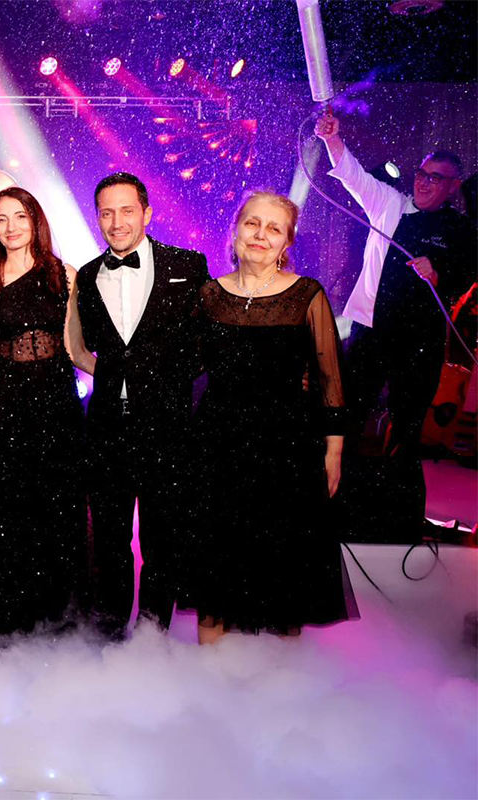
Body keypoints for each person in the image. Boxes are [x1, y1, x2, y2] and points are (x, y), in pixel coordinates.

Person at [188, 190, 357, 642]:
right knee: (217, 555)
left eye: (273, 228)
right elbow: (188, 367)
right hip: (217, 444)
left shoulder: (307, 294)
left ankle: (279, 692)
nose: (260, 235)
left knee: (284, 558)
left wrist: (334, 448)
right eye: (252, 224)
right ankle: (207, 684)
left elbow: (330, 377)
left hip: (287, 446)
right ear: (236, 230)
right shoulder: (208, 295)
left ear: (287, 243)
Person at [315, 112, 478, 538]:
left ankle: (397, 518)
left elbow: (467, 269)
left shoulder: (461, 230)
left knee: (407, 425)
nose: (423, 182)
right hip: (373, 330)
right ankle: (331, 502)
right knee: (348, 413)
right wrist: (334, 141)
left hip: (421, 341)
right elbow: (352, 176)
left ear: (452, 186)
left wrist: (440, 273)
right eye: (422, 174)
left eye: (435, 178)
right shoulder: (390, 203)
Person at [67, 172, 209, 641]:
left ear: (147, 213)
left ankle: (152, 637)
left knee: (161, 541)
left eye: (127, 210)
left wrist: (167, 387)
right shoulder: (86, 275)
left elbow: (204, 344)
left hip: (167, 428)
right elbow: (83, 347)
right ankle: (110, 634)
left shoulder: (189, 266)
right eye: (106, 212)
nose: (116, 222)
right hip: (107, 428)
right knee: (110, 541)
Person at [0, 187, 87, 646]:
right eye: (1, 219)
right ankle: (1, 625)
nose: (11, 227)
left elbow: (73, 349)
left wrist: (129, 371)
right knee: (0, 515)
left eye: (20, 216)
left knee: (54, 512)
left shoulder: (64, 274)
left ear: (35, 220)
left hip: (56, 404)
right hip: (2, 403)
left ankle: (53, 623)